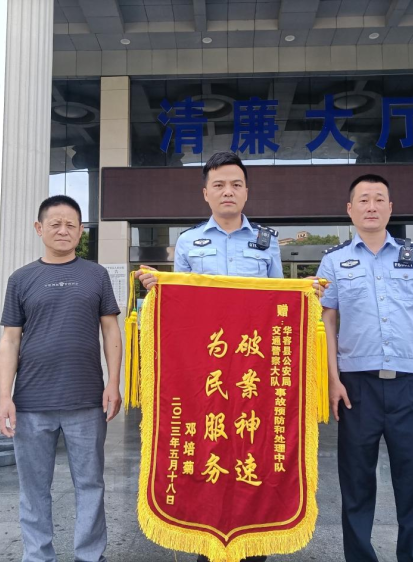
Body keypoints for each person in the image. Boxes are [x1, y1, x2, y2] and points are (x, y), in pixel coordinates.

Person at [136, 151, 282, 562]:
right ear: (206, 193)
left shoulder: (267, 241)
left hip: (252, 370)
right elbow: (180, 306)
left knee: (251, 449)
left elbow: (280, 302)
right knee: (208, 449)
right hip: (207, 371)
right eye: (219, 185)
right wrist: (158, 288)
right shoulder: (188, 241)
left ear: (246, 191)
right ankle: (208, 543)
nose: (227, 191)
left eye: (235, 184)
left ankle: (253, 543)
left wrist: (306, 296)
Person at [317, 174, 413, 562]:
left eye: (378, 199)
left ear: (390, 208)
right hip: (357, 388)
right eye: (363, 199)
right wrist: (333, 380)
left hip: (410, 385)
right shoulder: (333, 261)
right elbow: (327, 322)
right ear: (350, 209)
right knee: (356, 483)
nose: (371, 206)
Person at [0, 195, 123, 562]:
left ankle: (89, 556)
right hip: (31, 403)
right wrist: (4, 396)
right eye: (55, 224)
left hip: (86, 401)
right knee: (33, 488)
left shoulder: (96, 275)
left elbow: (111, 332)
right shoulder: (21, 279)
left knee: (90, 484)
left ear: (81, 231)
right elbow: (10, 340)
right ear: (39, 229)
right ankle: (38, 556)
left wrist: (113, 383)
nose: (63, 230)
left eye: (71, 225)